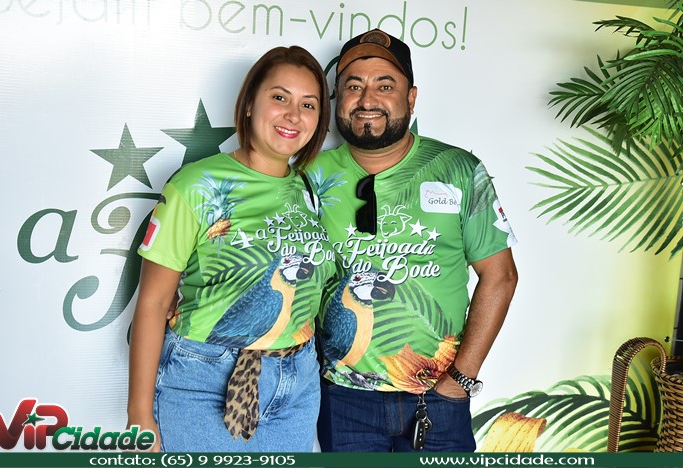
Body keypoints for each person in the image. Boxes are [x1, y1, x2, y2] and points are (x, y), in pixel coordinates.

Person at [306, 29, 519, 452]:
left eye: (385, 86)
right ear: (337, 99)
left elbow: (500, 277)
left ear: (412, 97)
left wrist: (459, 380)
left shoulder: (459, 169)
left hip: (439, 397)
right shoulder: (309, 176)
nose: (367, 99)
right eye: (353, 86)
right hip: (341, 399)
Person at [127, 45, 334, 452]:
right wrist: (138, 414)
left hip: (298, 382)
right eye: (280, 97)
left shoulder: (313, 190)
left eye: (308, 104)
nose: (293, 115)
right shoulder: (197, 185)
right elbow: (153, 302)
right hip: (205, 379)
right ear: (249, 105)